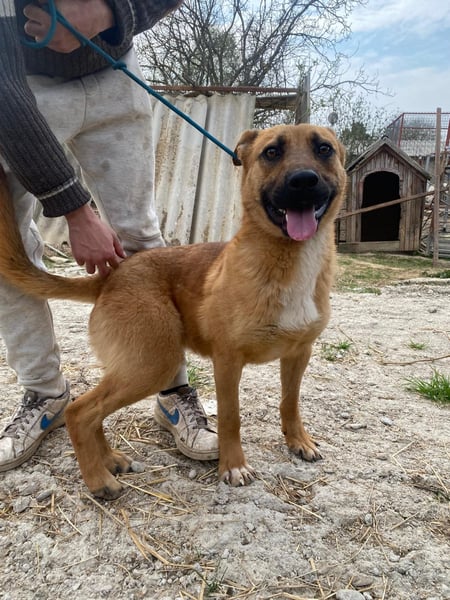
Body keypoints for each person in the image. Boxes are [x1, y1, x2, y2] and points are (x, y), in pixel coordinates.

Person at [0, 0, 218, 471]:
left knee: (142, 239)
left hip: (114, 73)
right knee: (7, 250)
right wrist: (74, 210)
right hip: (19, 90)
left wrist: (109, 13)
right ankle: (44, 392)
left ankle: (172, 388)